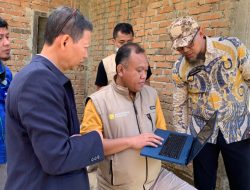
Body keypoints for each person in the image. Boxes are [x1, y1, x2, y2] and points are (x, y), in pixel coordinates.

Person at [5, 6, 104, 190]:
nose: (86, 55)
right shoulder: (37, 81)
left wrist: (75, 141)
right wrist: (94, 139)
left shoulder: (43, 75)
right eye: (85, 47)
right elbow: (57, 157)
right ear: (65, 41)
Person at [81, 42, 196, 190]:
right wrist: (131, 141)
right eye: (139, 70)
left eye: (146, 70)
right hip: (118, 186)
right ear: (121, 70)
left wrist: (180, 148)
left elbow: (161, 132)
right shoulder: (98, 102)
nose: (144, 76)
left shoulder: (151, 94)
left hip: (156, 179)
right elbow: (89, 148)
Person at [169, 16, 250, 190]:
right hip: (201, 133)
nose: (186, 50)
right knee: (203, 184)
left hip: (238, 127)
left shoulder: (232, 47)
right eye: (180, 48)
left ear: (201, 32)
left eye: (189, 43)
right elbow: (179, 106)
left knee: (243, 183)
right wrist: (183, 139)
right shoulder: (179, 68)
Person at [95, 23, 152, 90]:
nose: (126, 46)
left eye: (129, 42)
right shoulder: (105, 64)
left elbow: (147, 87)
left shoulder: (142, 62)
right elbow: (99, 91)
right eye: (121, 42)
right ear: (114, 41)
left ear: (133, 40)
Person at [0, 17, 12, 190]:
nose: (7, 43)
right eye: (0, 38)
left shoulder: (7, 74)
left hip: (6, 154)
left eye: (7, 36)